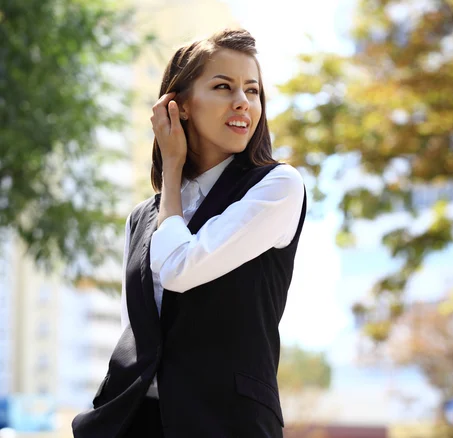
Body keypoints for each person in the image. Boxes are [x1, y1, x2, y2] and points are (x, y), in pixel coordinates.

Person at [72, 28, 306, 438]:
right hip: (129, 421)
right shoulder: (142, 217)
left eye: (252, 91)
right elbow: (139, 330)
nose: (242, 102)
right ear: (177, 107)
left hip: (226, 423)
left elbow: (181, 269)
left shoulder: (277, 187)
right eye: (223, 86)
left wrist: (173, 168)